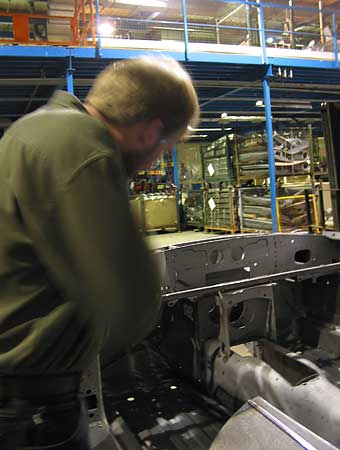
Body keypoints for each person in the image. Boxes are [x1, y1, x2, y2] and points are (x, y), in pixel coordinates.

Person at [0, 56, 199, 449]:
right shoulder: (84, 148)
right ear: (150, 132)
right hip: (31, 407)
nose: (157, 160)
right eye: (168, 147)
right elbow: (128, 300)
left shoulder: (32, 129)